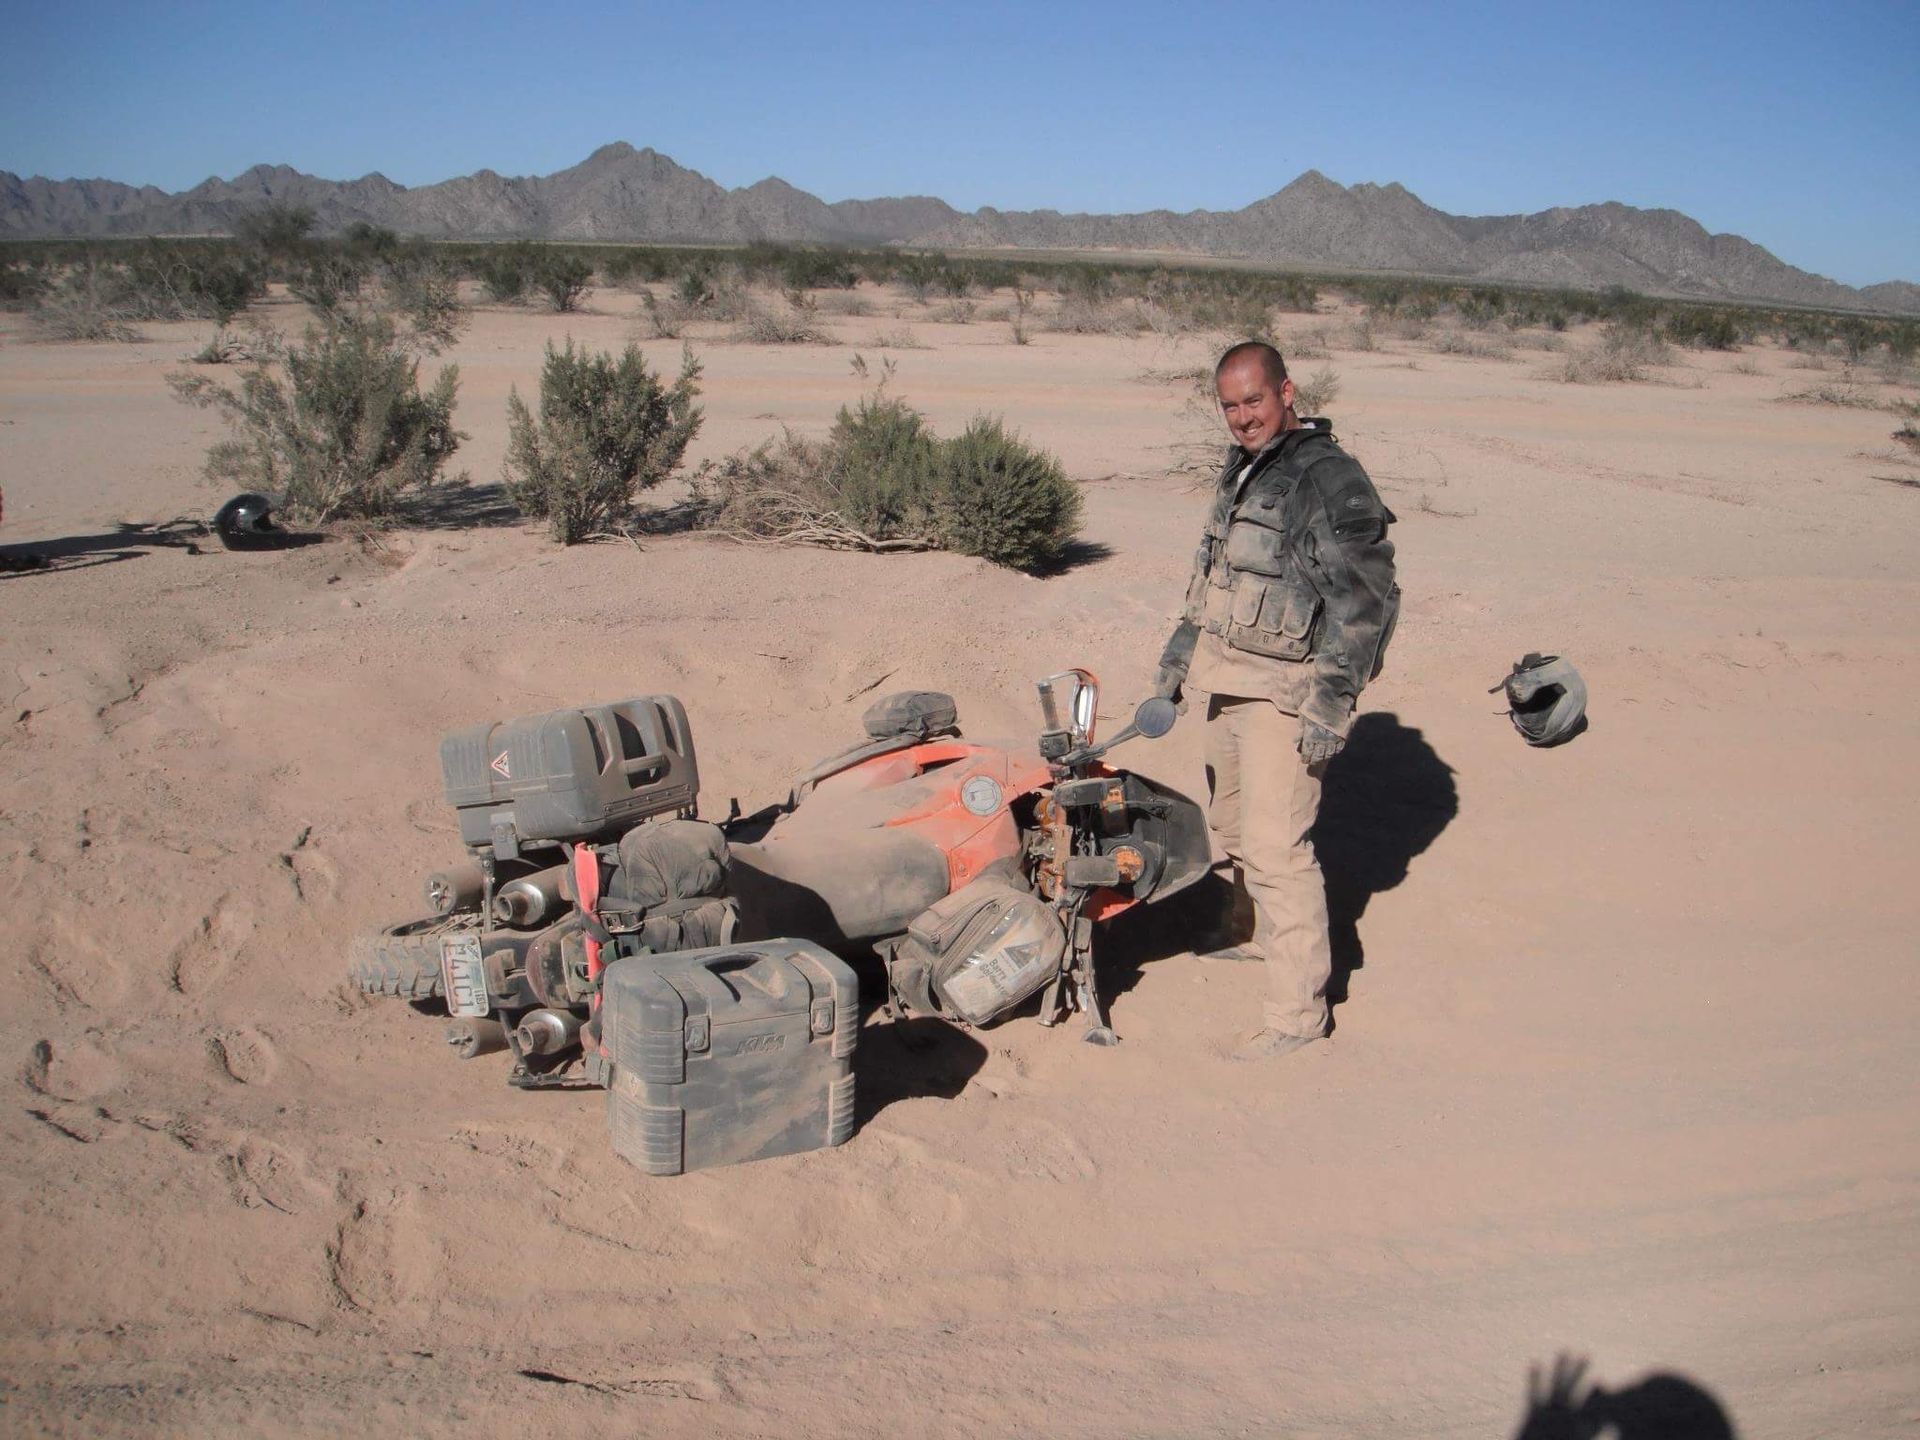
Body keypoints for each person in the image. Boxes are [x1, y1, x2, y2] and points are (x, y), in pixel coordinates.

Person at [1155, 341, 1399, 1060]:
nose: (1241, 418)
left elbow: (1367, 601)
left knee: (1274, 849)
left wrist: (1331, 703)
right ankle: (1249, 932)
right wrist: (1175, 661)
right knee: (1229, 822)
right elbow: (1213, 576)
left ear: (1286, 391)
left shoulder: (1328, 477)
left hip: (1285, 693)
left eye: (1253, 401)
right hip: (1227, 678)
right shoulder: (1247, 468)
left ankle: (1297, 1016)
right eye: (1229, 406)